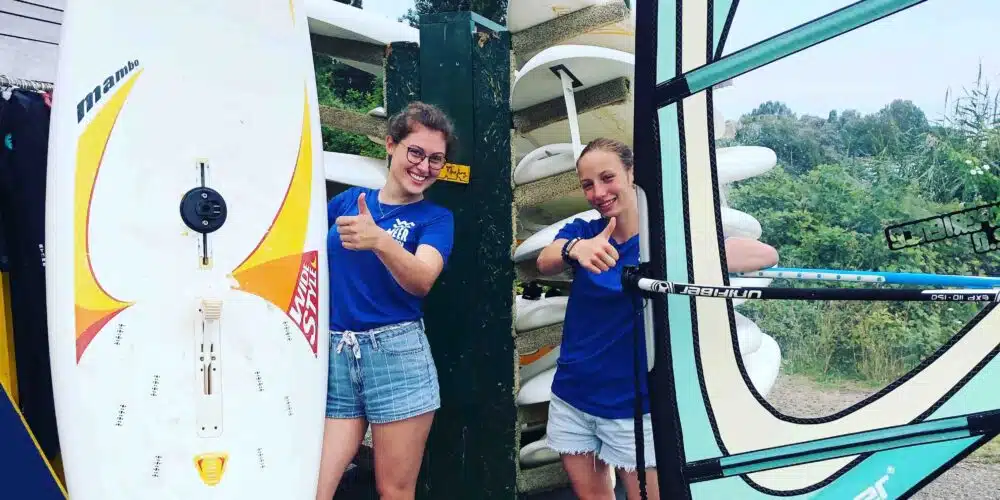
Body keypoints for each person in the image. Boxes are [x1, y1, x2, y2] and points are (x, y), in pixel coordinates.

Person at [534, 138, 778, 500]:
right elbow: (545, 261)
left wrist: (678, 253)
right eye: (588, 184)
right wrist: (576, 249)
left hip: (633, 407)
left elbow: (764, 255)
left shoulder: (666, 237)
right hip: (572, 397)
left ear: (631, 173)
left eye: (607, 178)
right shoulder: (584, 232)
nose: (598, 192)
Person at [316, 102, 456, 500]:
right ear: (391, 145)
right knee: (315, 486)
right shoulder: (348, 201)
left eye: (435, 159)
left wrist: (379, 240)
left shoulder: (436, 218)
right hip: (338, 355)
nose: (424, 166)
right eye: (416, 152)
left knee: (394, 491)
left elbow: (422, 279)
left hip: (398, 356)